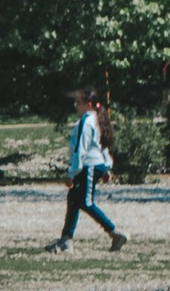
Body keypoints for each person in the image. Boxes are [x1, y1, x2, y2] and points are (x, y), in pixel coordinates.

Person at [53, 88, 126, 249]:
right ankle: (66, 240)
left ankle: (115, 233)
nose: (75, 106)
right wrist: (107, 167)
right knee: (73, 201)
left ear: (89, 104)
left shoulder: (87, 121)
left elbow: (81, 149)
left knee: (86, 202)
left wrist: (72, 173)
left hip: (88, 166)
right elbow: (101, 146)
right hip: (91, 166)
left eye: (78, 103)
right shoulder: (94, 119)